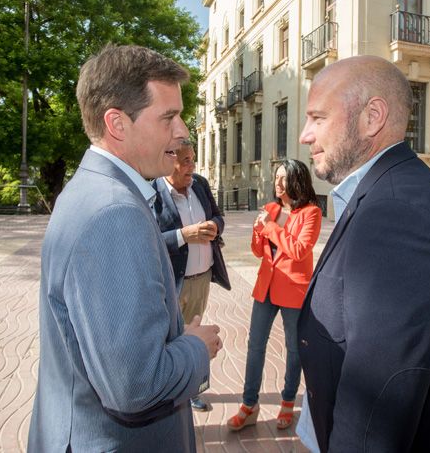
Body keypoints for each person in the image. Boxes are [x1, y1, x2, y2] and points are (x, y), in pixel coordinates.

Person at [27, 45, 223, 452]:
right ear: (117, 123)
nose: (183, 130)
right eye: (168, 117)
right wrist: (194, 347)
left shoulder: (95, 190)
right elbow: (135, 386)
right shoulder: (114, 212)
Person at [297, 56, 430, 452]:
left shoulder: (397, 212)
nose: (305, 134)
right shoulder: (388, 192)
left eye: (318, 118)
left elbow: (377, 403)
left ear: (372, 117)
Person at [227, 159, 322, 432]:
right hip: (266, 287)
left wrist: (270, 228)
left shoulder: (311, 213)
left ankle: (288, 400)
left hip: (293, 289)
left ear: (297, 181)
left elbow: (299, 250)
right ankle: (249, 404)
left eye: (283, 178)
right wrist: (258, 232)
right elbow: (259, 252)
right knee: (255, 345)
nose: (277, 183)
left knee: (294, 349)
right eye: (276, 178)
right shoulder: (271, 209)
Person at [153, 140, 231, 411]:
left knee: (195, 336)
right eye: (185, 160)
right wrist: (184, 235)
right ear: (169, 160)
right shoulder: (153, 192)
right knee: (171, 339)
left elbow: (219, 217)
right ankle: (170, 392)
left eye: (193, 159)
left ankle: (193, 388)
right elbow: (148, 240)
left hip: (200, 280)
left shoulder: (199, 184)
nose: (191, 166)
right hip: (172, 282)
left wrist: (214, 226)